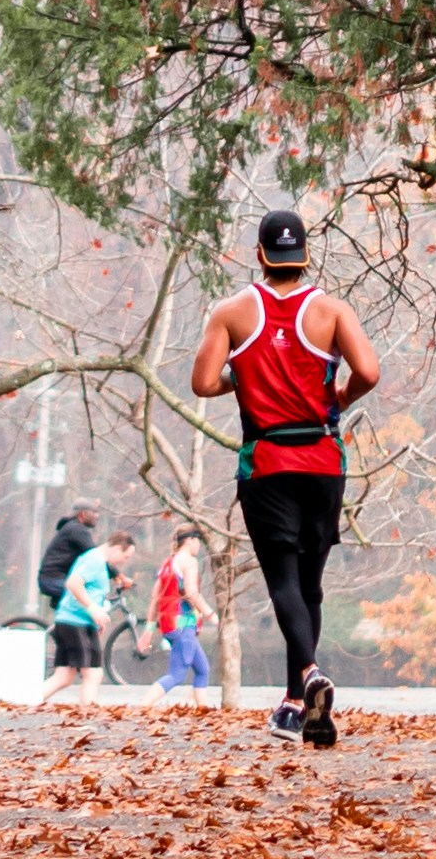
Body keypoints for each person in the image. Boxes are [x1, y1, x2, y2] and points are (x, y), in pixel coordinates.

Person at [191, 207, 380, 747]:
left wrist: (244, 373)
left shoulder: (231, 313)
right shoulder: (332, 311)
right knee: (310, 584)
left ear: (260, 256)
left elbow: (204, 383)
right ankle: (298, 705)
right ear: (304, 257)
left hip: (268, 461)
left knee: (283, 583)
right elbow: (368, 371)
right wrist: (341, 396)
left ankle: (308, 677)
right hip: (324, 458)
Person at [43, 525, 135, 705]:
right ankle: (89, 714)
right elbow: (73, 583)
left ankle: (26, 701)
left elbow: (92, 593)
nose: (124, 562)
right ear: (117, 548)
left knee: (64, 676)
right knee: (93, 673)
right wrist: (92, 609)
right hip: (74, 622)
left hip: (76, 622)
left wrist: (96, 618)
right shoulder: (94, 560)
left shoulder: (97, 561)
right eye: (125, 557)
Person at [154, 530, 212, 695]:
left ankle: (202, 712)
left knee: (202, 670)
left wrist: (150, 628)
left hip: (169, 622)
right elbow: (191, 593)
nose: (199, 545)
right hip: (183, 623)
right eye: (198, 540)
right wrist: (210, 614)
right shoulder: (189, 561)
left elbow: (154, 597)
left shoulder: (169, 562)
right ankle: (142, 707)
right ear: (189, 540)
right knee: (176, 674)